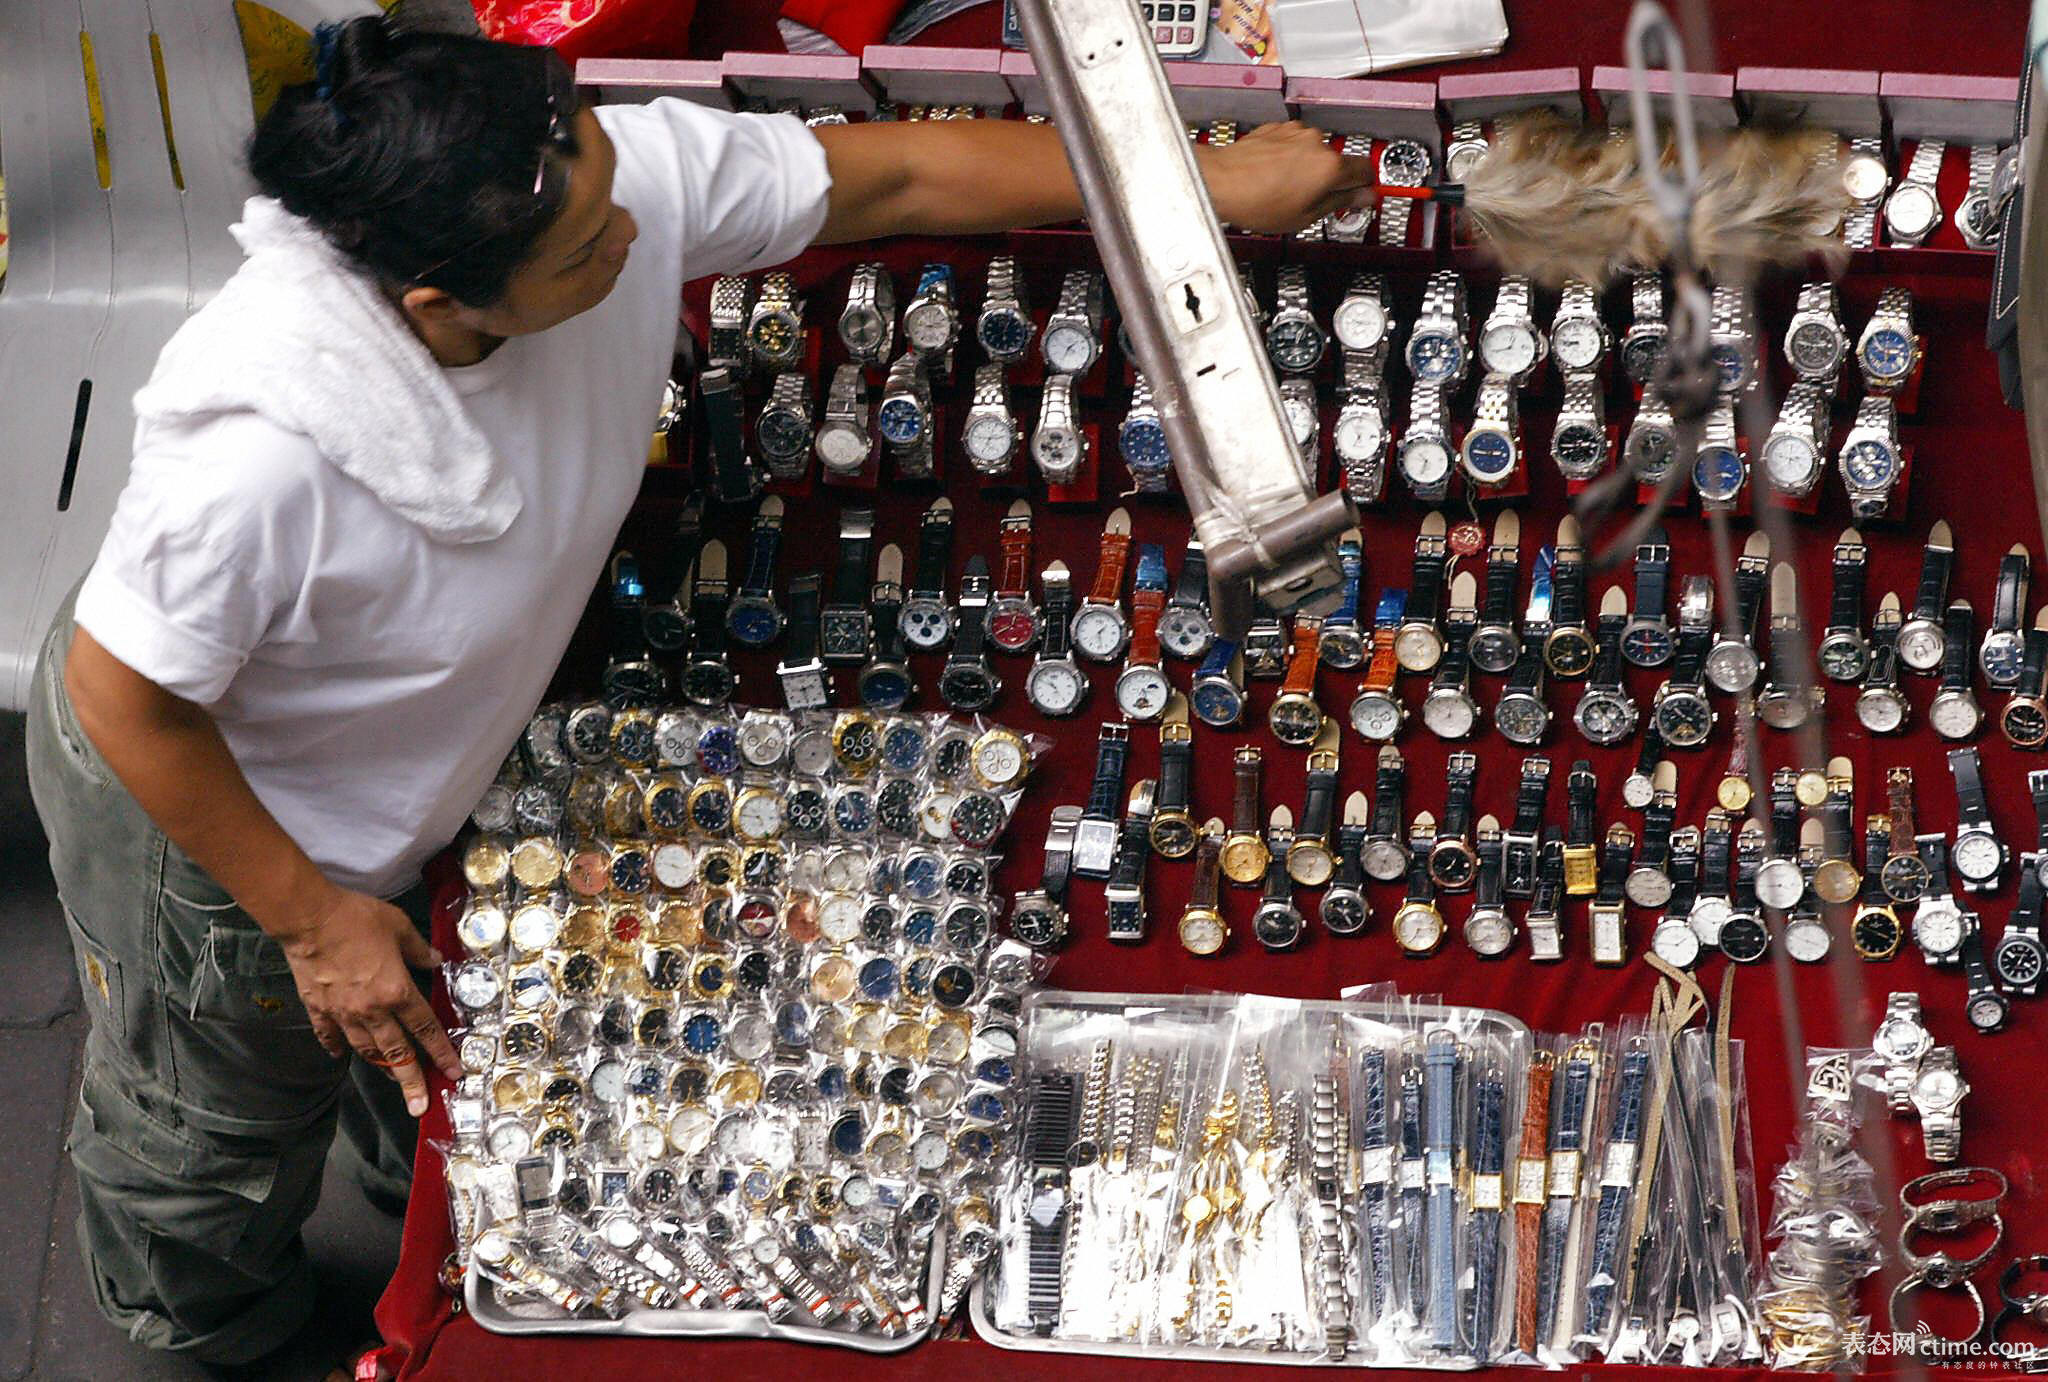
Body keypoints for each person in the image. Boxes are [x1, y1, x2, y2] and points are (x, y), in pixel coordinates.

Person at [23, 8, 1360, 1374]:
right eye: (583, 248)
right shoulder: (254, 464)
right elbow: (126, 700)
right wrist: (308, 922)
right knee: (208, 1126)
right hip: (228, 817)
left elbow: (897, 176)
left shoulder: (597, 186)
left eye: (608, 182)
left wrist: (1189, 192)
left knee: (394, 1044)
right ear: (436, 303)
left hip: (405, 764)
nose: (631, 235)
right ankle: (205, 1323)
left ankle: (379, 1151)